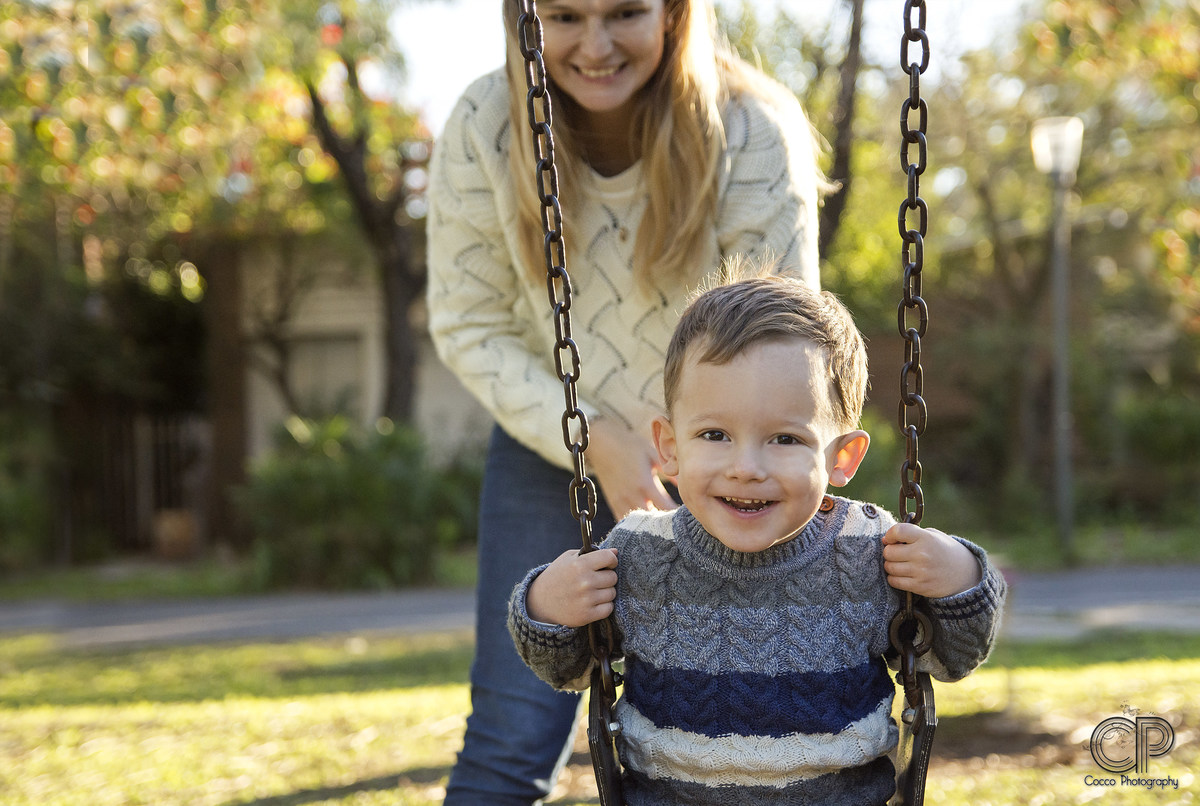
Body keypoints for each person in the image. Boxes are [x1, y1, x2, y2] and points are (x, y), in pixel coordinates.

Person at [425, 0, 826, 798]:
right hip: (550, 442)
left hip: (727, 456)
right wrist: (592, 438)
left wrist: (699, 448)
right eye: (565, 16)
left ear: (673, 12)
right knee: (508, 738)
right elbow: (470, 323)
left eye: (625, 12)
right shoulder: (485, 124)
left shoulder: (750, 129)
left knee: (746, 735)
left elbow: (778, 336)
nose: (596, 45)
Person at [507, 271, 1008, 804]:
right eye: (715, 435)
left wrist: (960, 577)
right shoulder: (641, 552)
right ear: (670, 447)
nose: (746, 468)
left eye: (785, 439)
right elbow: (568, 667)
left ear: (842, 457)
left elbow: (953, 656)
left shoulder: (868, 550)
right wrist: (547, 605)